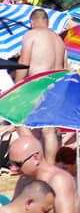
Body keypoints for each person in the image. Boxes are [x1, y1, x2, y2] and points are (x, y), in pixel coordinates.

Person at [16, 9, 65, 164]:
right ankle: (50, 166)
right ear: (48, 22)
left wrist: (17, 86)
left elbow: (24, 63)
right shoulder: (59, 39)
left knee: (18, 121)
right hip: (56, 86)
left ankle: (38, 159)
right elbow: (64, 68)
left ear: (31, 22)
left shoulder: (31, 35)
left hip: (37, 85)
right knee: (49, 130)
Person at [9, 135, 75, 213]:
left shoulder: (59, 181)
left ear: (36, 158)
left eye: (18, 164)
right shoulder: (23, 180)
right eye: (10, 163)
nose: (13, 169)